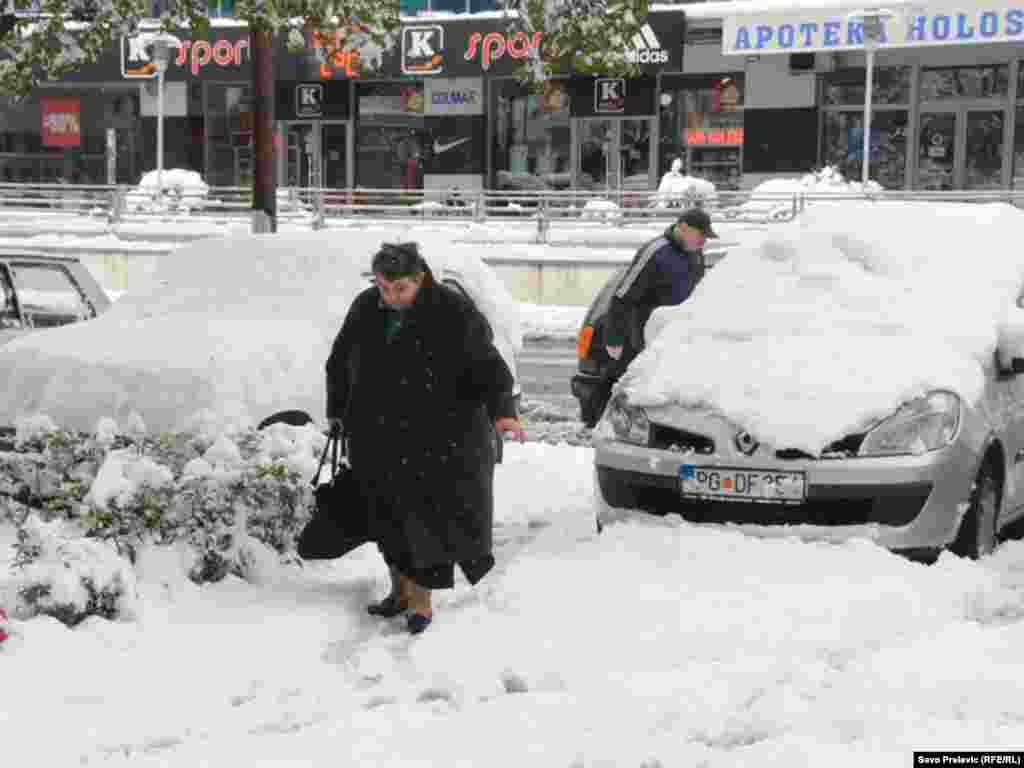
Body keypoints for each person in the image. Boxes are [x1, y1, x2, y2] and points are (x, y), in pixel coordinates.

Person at [325, 241, 526, 635]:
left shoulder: (451, 310)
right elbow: (339, 360)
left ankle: (421, 602)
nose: (390, 297)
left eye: (400, 289)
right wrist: (338, 411)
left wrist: (503, 412)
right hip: (377, 434)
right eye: (384, 288)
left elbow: (487, 364)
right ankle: (400, 591)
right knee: (385, 518)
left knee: (424, 522)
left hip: (437, 437)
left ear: (420, 280)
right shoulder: (366, 307)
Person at [604, 207, 718, 374]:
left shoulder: (695, 253)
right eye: (701, 235)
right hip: (649, 338)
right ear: (684, 228)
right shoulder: (656, 252)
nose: (703, 242)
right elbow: (624, 295)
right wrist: (614, 338)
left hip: (680, 337)